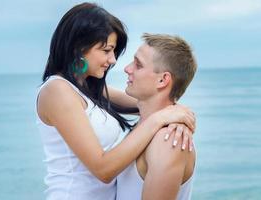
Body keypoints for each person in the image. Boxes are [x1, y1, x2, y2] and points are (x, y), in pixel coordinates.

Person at [36, 3, 195, 200]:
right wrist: (161, 119)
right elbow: (103, 169)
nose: (113, 60)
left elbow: (151, 102)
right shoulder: (57, 91)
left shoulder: (89, 90)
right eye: (106, 50)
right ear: (79, 48)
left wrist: (179, 118)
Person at [116, 33, 197, 200]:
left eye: (138, 65)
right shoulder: (147, 124)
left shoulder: (168, 141)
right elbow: (88, 92)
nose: (127, 68)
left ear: (162, 80)